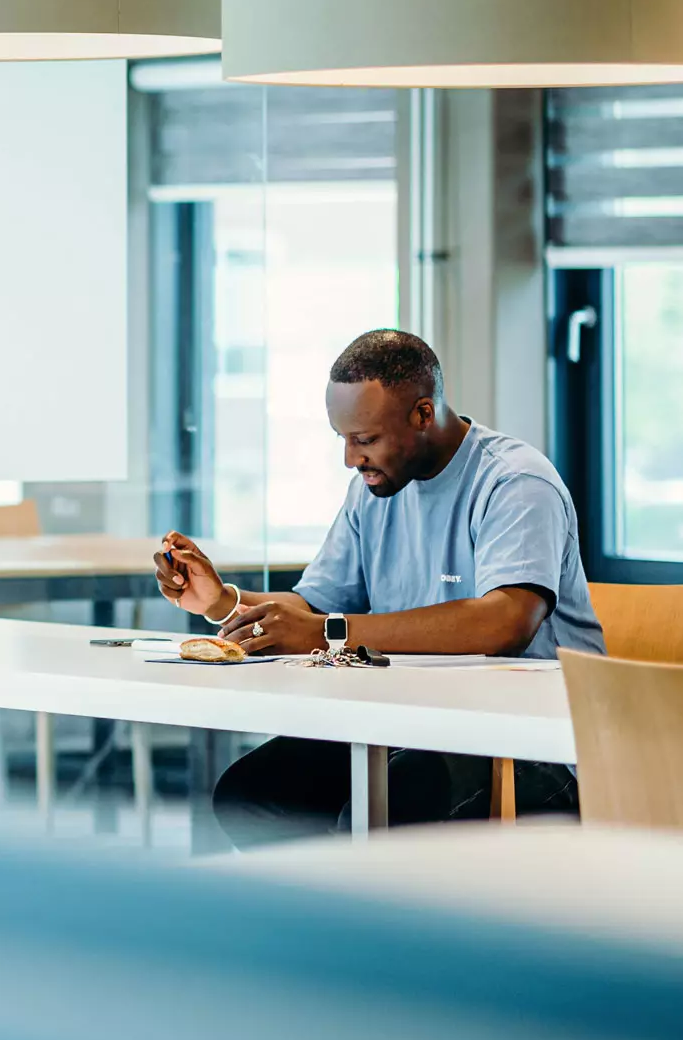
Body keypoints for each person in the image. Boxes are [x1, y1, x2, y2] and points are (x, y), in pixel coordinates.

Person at [156, 329, 603, 846]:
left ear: (422, 414)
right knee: (250, 795)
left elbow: (505, 621)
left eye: (364, 440)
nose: (350, 458)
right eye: (343, 439)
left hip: (532, 744)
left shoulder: (515, 483)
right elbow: (315, 606)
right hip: (411, 727)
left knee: (382, 815)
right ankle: (341, 927)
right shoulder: (372, 490)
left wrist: (327, 633)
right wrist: (222, 601)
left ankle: (376, 924)